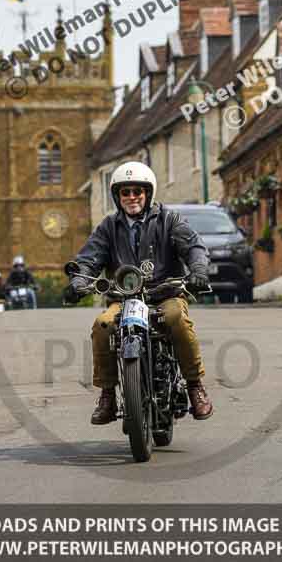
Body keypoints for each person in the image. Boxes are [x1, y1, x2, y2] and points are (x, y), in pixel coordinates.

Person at [66, 161, 213, 425]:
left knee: (176, 318)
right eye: (126, 192)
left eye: (137, 191)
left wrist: (198, 269)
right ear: (117, 196)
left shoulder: (169, 219)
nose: (132, 197)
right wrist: (78, 281)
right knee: (102, 325)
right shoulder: (108, 227)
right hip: (124, 299)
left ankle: (194, 386)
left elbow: (193, 247)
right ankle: (107, 395)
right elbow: (88, 259)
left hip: (166, 293)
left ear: (147, 193)